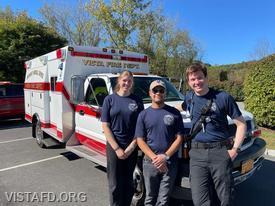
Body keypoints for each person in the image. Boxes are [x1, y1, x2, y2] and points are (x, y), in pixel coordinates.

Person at [181, 63, 246, 206]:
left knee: (225, 199)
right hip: (197, 154)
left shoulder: (223, 97)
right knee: (199, 200)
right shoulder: (189, 97)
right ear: (189, 82)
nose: (196, 82)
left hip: (220, 153)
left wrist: (235, 149)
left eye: (199, 78)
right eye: (193, 79)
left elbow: (241, 124)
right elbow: (182, 107)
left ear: (206, 77)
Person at [135, 80, 183, 206]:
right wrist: (155, 158)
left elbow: (179, 138)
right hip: (150, 162)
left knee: (164, 199)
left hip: (169, 162)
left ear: (165, 93)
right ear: (150, 93)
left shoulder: (175, 113)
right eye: (155, 90)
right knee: (149, 197)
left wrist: (165, 156)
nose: (158, 93)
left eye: (161, 90)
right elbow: (140, 140)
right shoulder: (143, 115)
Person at [101, 70, 144, 206]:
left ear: (132, 83)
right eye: (124, 80)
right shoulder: (110, 99)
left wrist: (132, 147)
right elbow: (105, 126)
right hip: (114, 146)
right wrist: (117, 148)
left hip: (131, 146)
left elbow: (140, 126)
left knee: (128, 182)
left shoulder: (137, 100)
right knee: (115, 183)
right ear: (119, 81)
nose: (127, 83)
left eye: (130, 81)